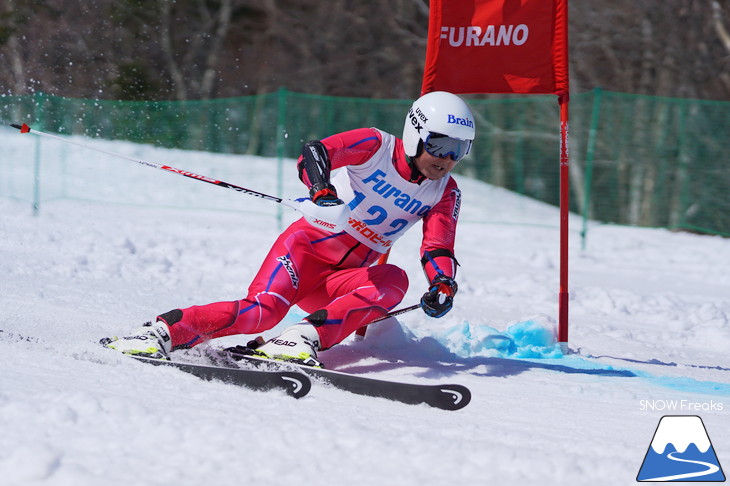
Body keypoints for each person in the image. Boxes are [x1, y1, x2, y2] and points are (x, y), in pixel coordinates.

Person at [102, 91, 475, 366]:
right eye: (440, 145)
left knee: (393, 280)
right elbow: (316, 153)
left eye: (459, 150)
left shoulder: (445, 191)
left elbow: (438, 246)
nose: (447, 159)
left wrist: (443, 283)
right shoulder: (377, 146)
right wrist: (321, 190)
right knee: (261, 312)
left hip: (341, 280)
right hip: (305, 250)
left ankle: (301, 338)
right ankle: (161, 332)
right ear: (415, 134)